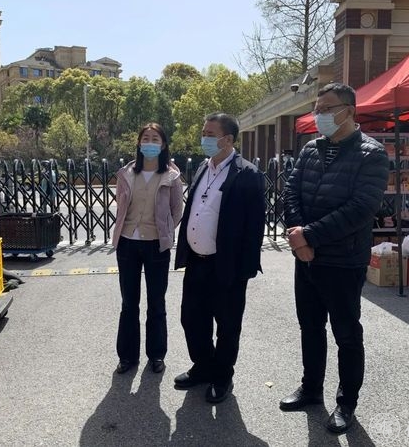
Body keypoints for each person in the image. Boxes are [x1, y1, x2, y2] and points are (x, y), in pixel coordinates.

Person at [279, 83, 389, 433]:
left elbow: (361, 208)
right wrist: (299, 238)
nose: (319, 115)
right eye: (317, 108)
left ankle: (346, 402)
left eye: (326, 108)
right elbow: (290, 192)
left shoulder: (372, 153)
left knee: (346, 333)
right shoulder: (311, 148)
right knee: (310, 327)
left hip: (343, 260)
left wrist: (309, 236)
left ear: (349, 111)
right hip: (306, 258)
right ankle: (311, 388)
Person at [173, 112, 265, 404]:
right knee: (192, 318)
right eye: (204, 133)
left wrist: (245, 269)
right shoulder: (203, 167)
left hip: (227, 265)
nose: (204, 139)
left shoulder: (247, 174)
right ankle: (203, 366)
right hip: (197, 261)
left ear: (228, 139)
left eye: (210, 134)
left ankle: (222, 375)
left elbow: (255, 226)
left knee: (227, 324)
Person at [111, 122, 184, 374]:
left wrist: (164, 230)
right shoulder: (126, 174)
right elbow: (121, 206)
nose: (149, 143)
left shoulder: (171, 176)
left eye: (155, 139)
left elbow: (177, 211)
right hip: (128, 243)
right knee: (129, 303)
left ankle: (157, 354)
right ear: (139, 143)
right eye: (145, 138)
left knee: (156, 303)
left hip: (156, 245)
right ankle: (127, 356)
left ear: (162, 145)